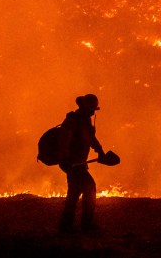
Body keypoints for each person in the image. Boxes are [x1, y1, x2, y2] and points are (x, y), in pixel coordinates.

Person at [58, 93, 106, 234]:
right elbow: (64, 140)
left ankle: (65, 227)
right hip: (72, 163)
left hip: (79, 163)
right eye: (91, 108)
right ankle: (86, 225)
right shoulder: (73, 120)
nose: (93, 112)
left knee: (74, 193)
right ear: (85, 107)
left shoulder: (85, 121)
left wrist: (101, 151)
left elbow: (91, 139)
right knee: (90, 187)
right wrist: (65, 160)